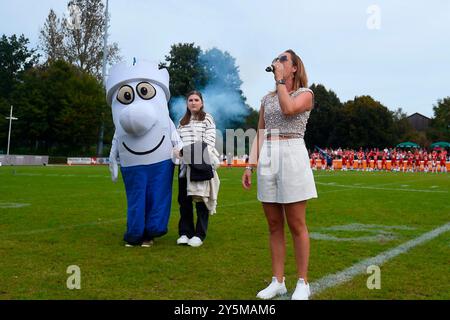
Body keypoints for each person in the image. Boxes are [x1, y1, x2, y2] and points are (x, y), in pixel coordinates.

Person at [242, 49, 317, 300]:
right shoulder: (266, 99)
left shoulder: (305, 94)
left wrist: (280, 81)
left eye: (284, 59)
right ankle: (278, 281)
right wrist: (250, 165)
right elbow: (260, 133)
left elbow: (288, 109)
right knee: (274, 225)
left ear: (295, 67)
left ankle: (303, 282)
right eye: (277, 59)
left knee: (296, 224)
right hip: (269, 154)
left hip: (292, 151)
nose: (278, 62)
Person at [176, 90, 218, 247]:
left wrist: (185, 152)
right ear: (187, 103)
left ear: (202, 102)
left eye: (196, 100)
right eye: (190, 100)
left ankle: (199, 234)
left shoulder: (207, 119)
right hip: (183, 167)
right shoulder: (182, 121)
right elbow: (177, 142)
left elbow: (209, 143)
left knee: (201, 200)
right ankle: (185, 233)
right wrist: (181, 154)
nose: (193, 102)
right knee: (184, 201)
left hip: (201, 164)